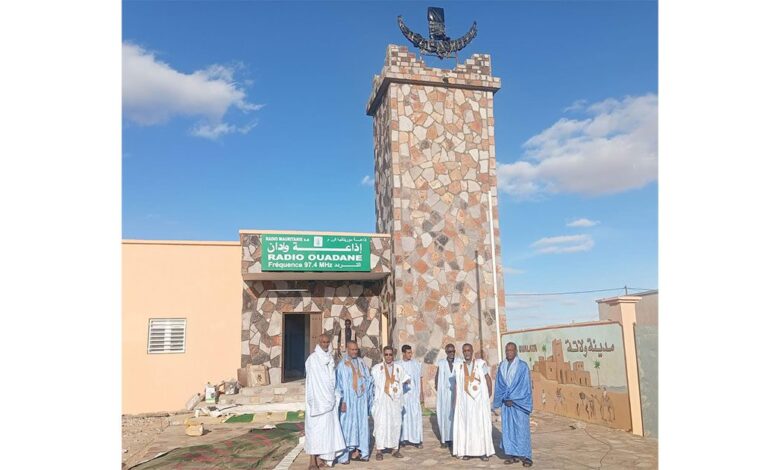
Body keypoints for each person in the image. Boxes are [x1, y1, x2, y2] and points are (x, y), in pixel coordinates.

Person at [304, 334, 346, 469]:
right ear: (318, 341)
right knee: (314, 430)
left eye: (327, 342)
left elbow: (332, 380)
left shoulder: (330, 359)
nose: (325, 344)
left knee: (326, 430)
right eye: (323, 342)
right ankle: (311, 461)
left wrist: (335, 396)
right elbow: (312, 382)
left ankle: (322, 457)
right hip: (317, 401)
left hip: (329, 400)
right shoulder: (312, 359)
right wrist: (316, 400)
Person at [452, 343, 495, 461]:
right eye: (464, 351)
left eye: (468, 350)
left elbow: (487, 378)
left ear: (472, 351)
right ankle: (467, 451)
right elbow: (457, 384)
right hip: (465, 403)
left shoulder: (481, 364)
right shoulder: (459, 366)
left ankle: (482, 452)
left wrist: (488, 394)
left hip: (479, 402)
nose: (466, 353)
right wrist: (456, 400)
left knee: (480, 425)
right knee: (466, 426)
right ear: (462, 352)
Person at [492, 342, 533, 467]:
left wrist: (513, 399)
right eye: (507, 350)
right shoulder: (502, 366)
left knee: (521, 429)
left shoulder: (523, 366)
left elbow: (525, 387)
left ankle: (526, 456)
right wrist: (503, 399)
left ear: (516, 351)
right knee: (508, 430)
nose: (509, 352)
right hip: (506, 404)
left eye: (511, 350)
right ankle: (512, 454)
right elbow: (499, 385)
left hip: (519, 404)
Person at [335, 341, 373, 464]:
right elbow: (338, 385)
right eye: (352, 349)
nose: (354, 352)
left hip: (360, 400)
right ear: (347, 349)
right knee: (347, 425)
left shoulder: (361, 363)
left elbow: (368, 378)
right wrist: (342, 401)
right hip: (348, 400)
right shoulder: (342, 365)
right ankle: (344, 455)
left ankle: (362, 452)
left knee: (361, 425)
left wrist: (366, 389)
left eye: (356, 349)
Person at [371, 346, 411, 460]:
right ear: (383, 355)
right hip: (382, 402)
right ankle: (379, 450)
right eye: (386, 354)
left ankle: (395, 449)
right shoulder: (377, 368)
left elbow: (406, 378)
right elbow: (373, 382)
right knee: (381, 424)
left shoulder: (398, 368)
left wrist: (403, 382)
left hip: (394, 402)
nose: (388, 356)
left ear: (393, 355)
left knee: (395, 424)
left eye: (390, 354)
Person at [434, 343, 461, 448]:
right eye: (449, 352)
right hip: (445, 394)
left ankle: (455, 438)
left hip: (456, 393)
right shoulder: (441, 363)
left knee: (455, 415)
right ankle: (445, 439)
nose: (452, 353)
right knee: (445, 415)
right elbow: (438, 376)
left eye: (453, 351)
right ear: (446, 352)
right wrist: (438, 388)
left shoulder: (459, 362)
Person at [398, 344, 424, 448]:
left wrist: (421, 393)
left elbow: (420, 379)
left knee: (415, 415)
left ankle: (416, 439)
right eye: (408, 353)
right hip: (403, 395)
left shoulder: (416, 364)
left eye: (411, 352)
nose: (410, 354)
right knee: (403, 416)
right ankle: (404, 438)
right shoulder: (398, 365)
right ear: (403, 353)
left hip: (414, 395)